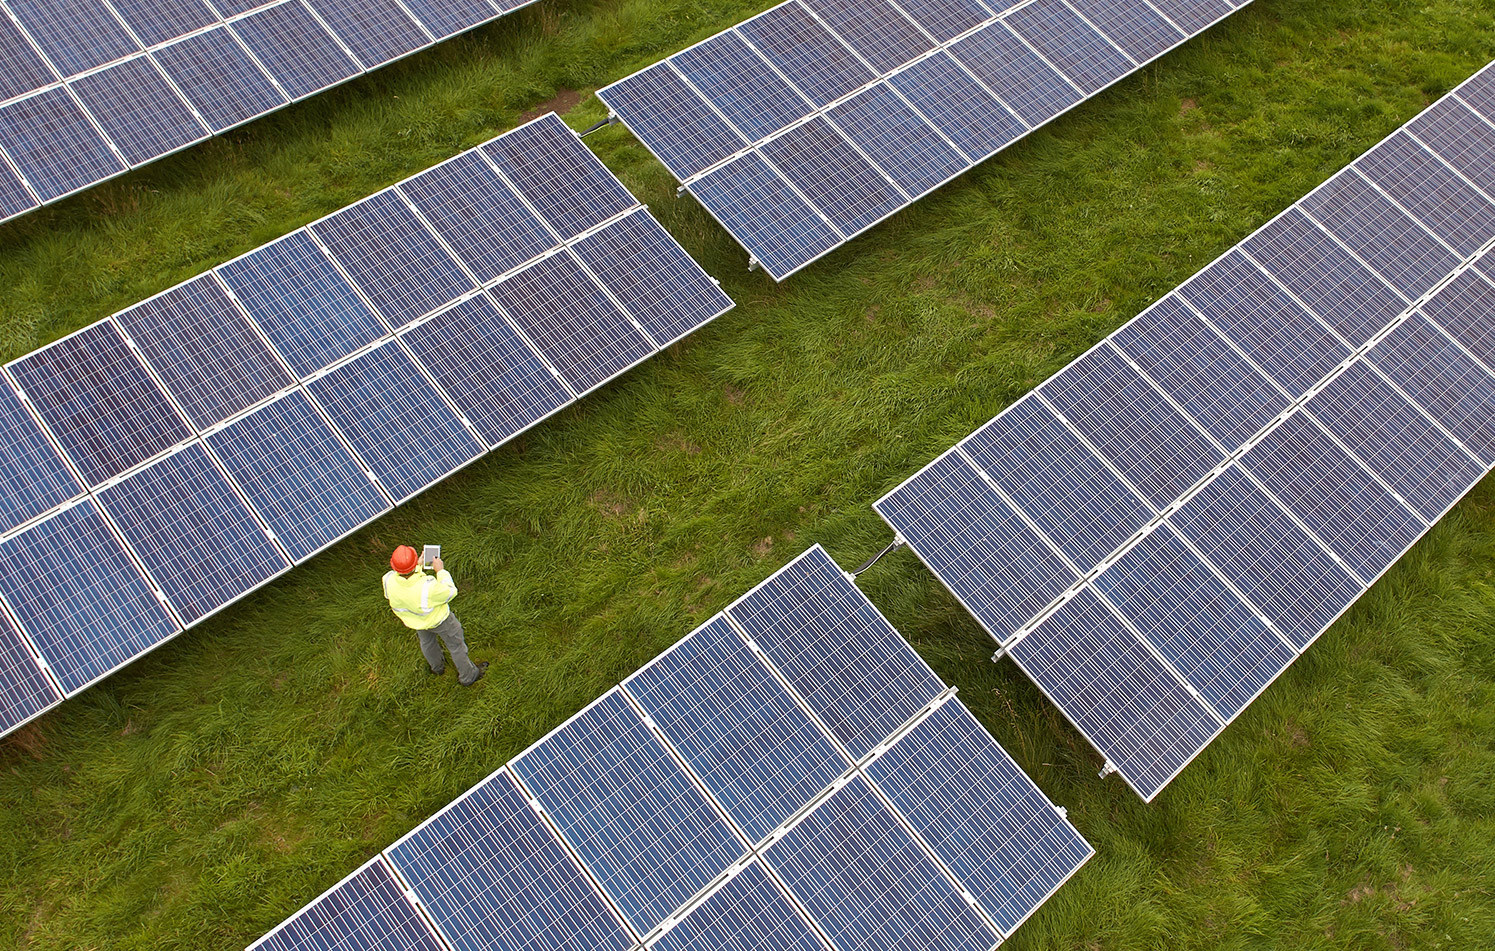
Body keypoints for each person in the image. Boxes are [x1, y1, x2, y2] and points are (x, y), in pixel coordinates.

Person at [382, 545, 487, 686]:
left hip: (417, 622)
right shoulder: (427, 586)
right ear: (413, 566)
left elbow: (405, 581)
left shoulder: (388, 579)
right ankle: (469, 676)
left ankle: (437, 668)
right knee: (456, 646)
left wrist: (417, 565)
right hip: (440, 621)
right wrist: (440, 571)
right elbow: (450, 591)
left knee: (427, 643)